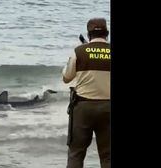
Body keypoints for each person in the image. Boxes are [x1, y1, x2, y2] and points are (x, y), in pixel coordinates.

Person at [62, 18, 110, 168]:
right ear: (107, 34)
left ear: (88, 35)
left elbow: (66, 78)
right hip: (108, 107)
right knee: (108, 156)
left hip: (83, 107)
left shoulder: (79, 51)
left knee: (76, 154)